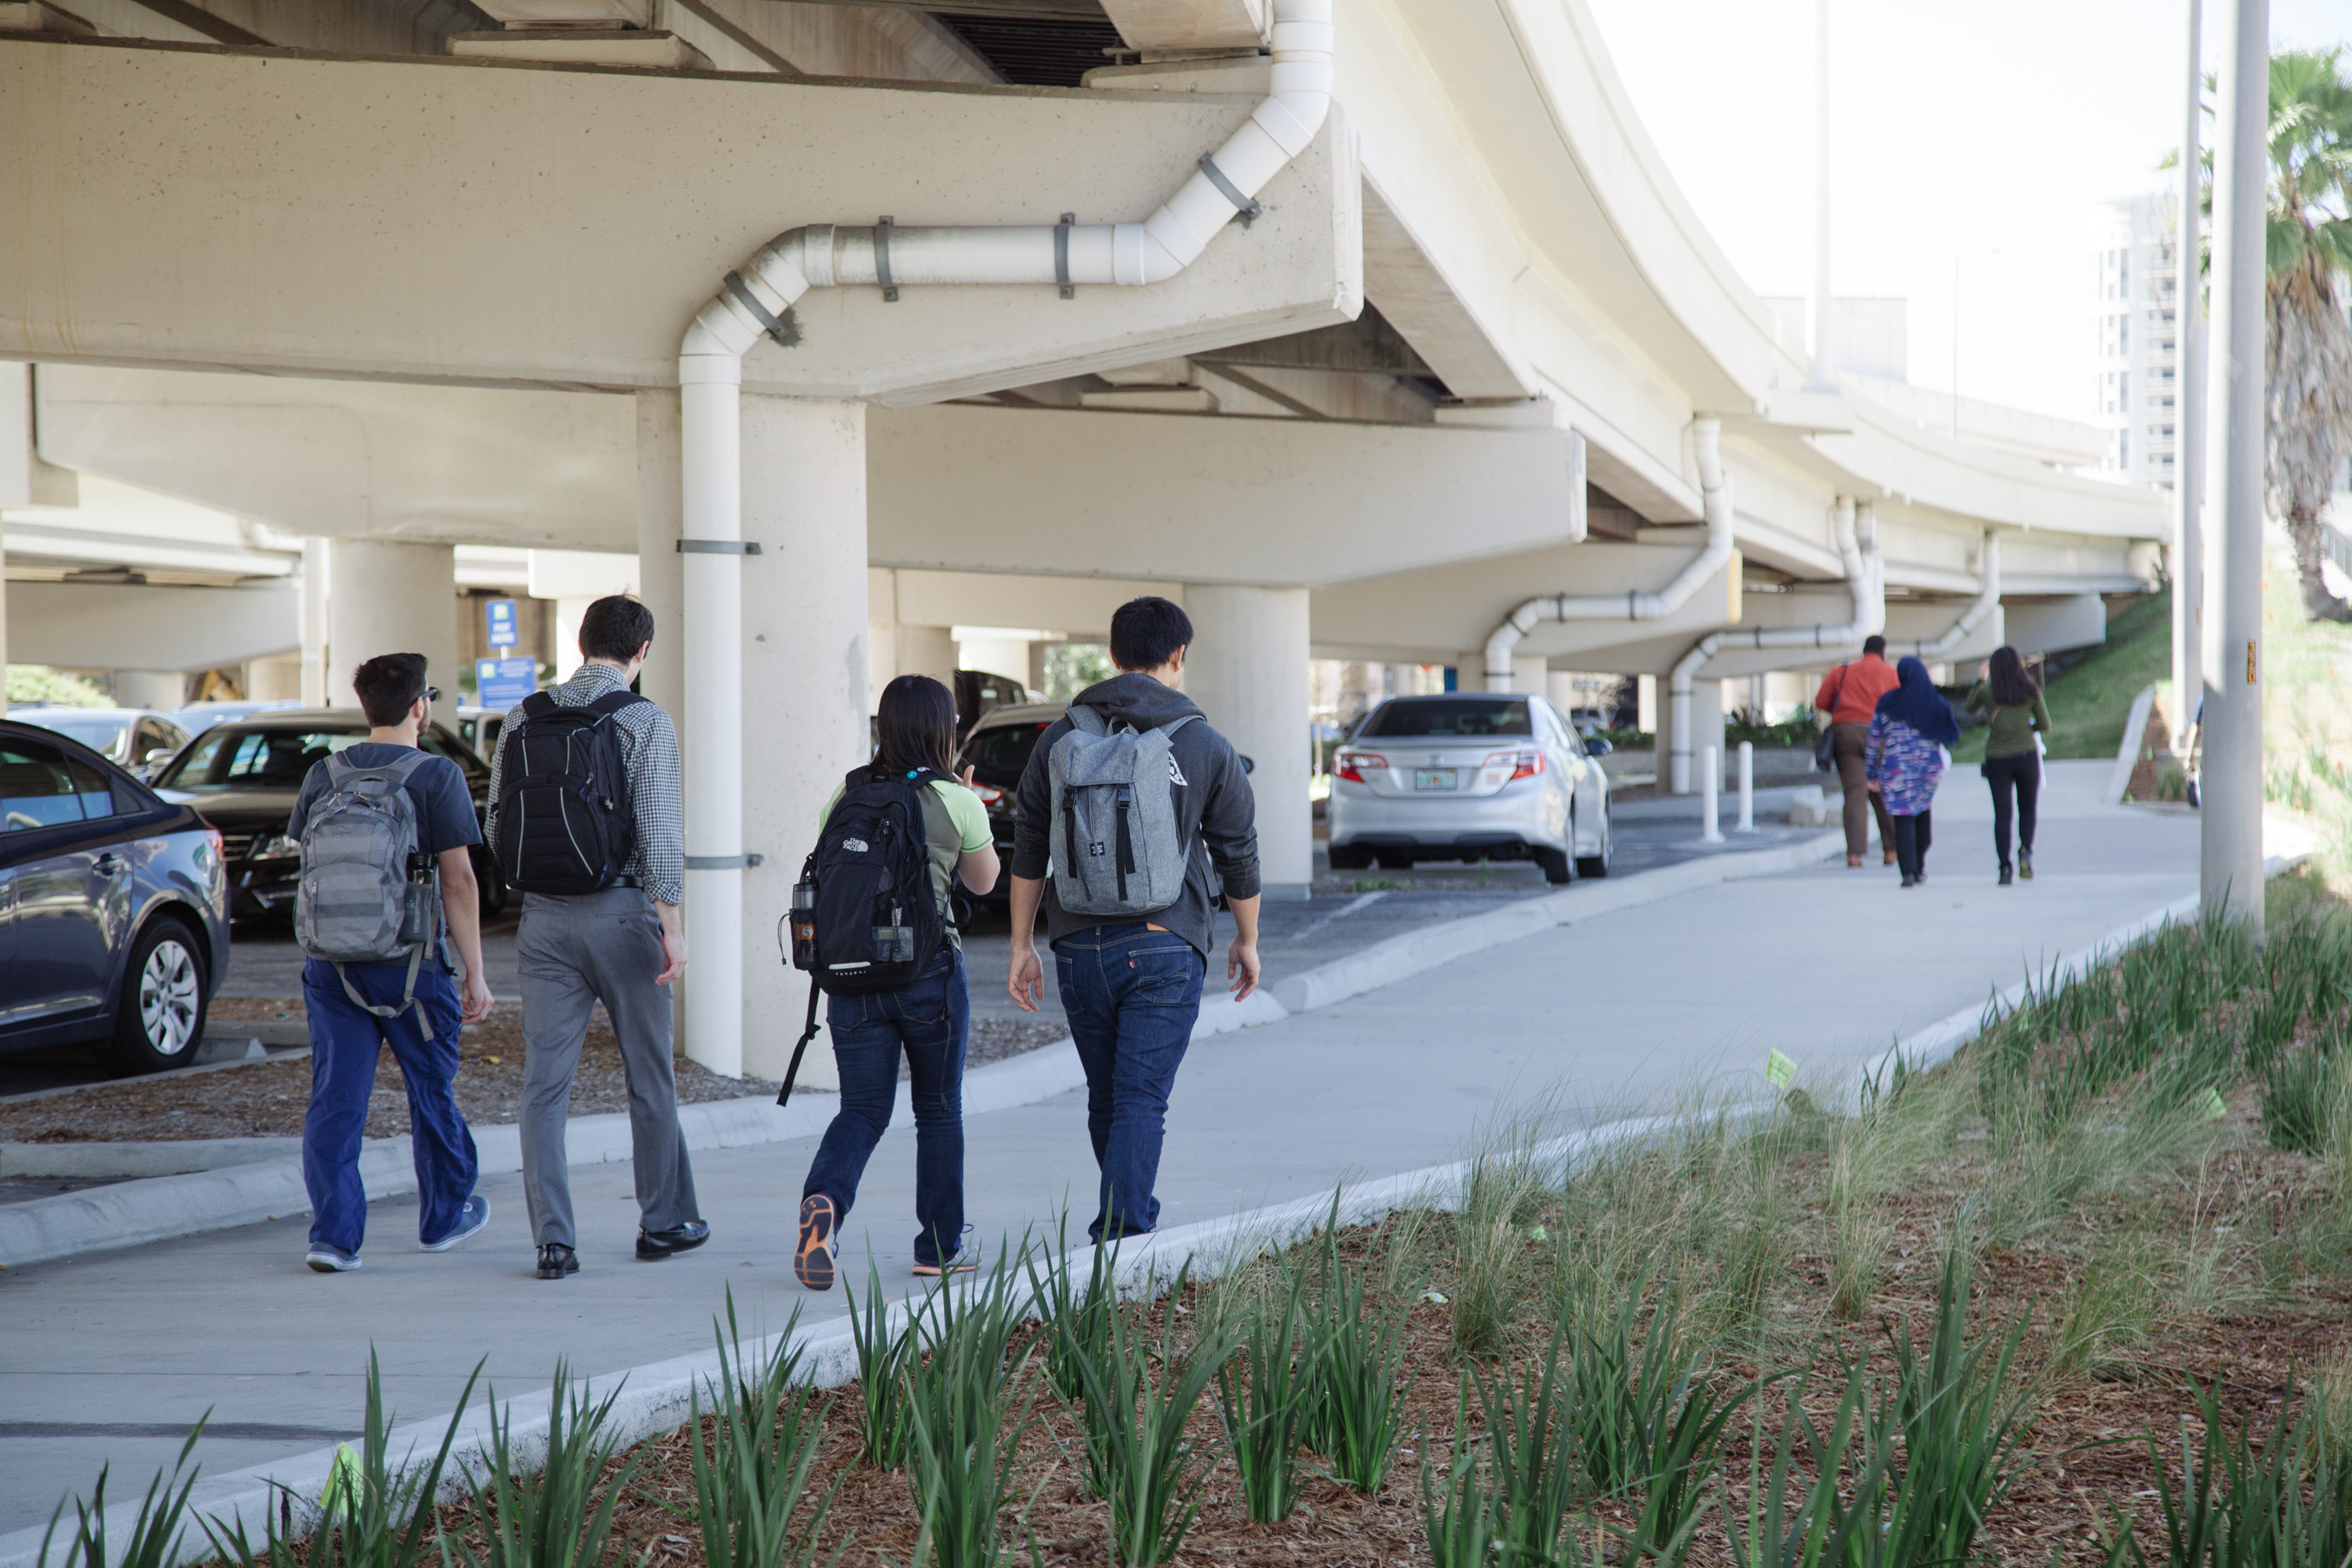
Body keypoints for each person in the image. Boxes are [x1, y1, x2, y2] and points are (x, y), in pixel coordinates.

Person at [1006, 596, 1261, 1244]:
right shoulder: (1203, 743)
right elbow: (1238, 849)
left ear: (1113, 657)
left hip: (1078, 947)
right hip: (1164, 945)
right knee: (1141, 1098)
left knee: (1108, 1098)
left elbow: (1029, 845)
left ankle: (1129, 1213)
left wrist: (1020, 946)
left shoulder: (1061, 739)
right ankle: (1122, 1231)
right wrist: (1247, 938)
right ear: (1179, 657)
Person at [486, 596, 701, 1280]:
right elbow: (662, 839)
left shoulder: (523, 716)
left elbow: (498, 825)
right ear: (643, 653)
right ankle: (663, 1223)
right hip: (621, 915)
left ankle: (554, 1242)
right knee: (648, 1075)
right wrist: (673, 928)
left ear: (581, 644)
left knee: (544, 1087)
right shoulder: (644, 720)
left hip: (543, 919)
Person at [793, 675, 1000, 1291]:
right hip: (928, 974)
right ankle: (940, 1245)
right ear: (945, 730)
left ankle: (824, 1203)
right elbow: (985, 882)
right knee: (938, 1110)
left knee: (860, 1108)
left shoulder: (848, 792)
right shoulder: (954, 799)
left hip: (851, 978)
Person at [292, 654, 495, 1272]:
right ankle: (444, 1216)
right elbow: (458, 882)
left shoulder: (322, 775)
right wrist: (477, 971)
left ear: (364, 708)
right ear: (419, 706)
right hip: (411, 968)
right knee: (430, 1088)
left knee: (335, 1099)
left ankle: (333, 1236)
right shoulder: (436, 775)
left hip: (333, 969)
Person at [1865, 655, 1960, 888]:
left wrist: (1870, 772)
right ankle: (1918, 865)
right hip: (1928, 770)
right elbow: (1952, 733)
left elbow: (1873, 741)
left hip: (1895, 769)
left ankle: (1908, 871)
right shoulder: (1933, 702)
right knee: (1921, 813)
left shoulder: (1888, 703)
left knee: (1903, 817)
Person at [1965, 645, 2052, 886]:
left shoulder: (1987, 691)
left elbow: (1970, 708)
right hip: (2027, 756)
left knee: (2002, 815)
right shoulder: (2031, 690)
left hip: (1997, 758)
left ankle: (2004, 867)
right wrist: (2027, 729)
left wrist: (1979, 680)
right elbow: (2046, 725)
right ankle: (2025, 851)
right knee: (2028, 809)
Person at [1813, 635, 1903, 868]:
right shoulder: (1890, 673)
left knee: (1854, 793)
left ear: (1864, 651)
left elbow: (1821, 701)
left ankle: (1854, 854)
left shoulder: (1842, 672)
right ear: (1883, 652)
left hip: (1846, 733)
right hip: (1878, 733)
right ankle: (1892, 850)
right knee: (1882, 790)